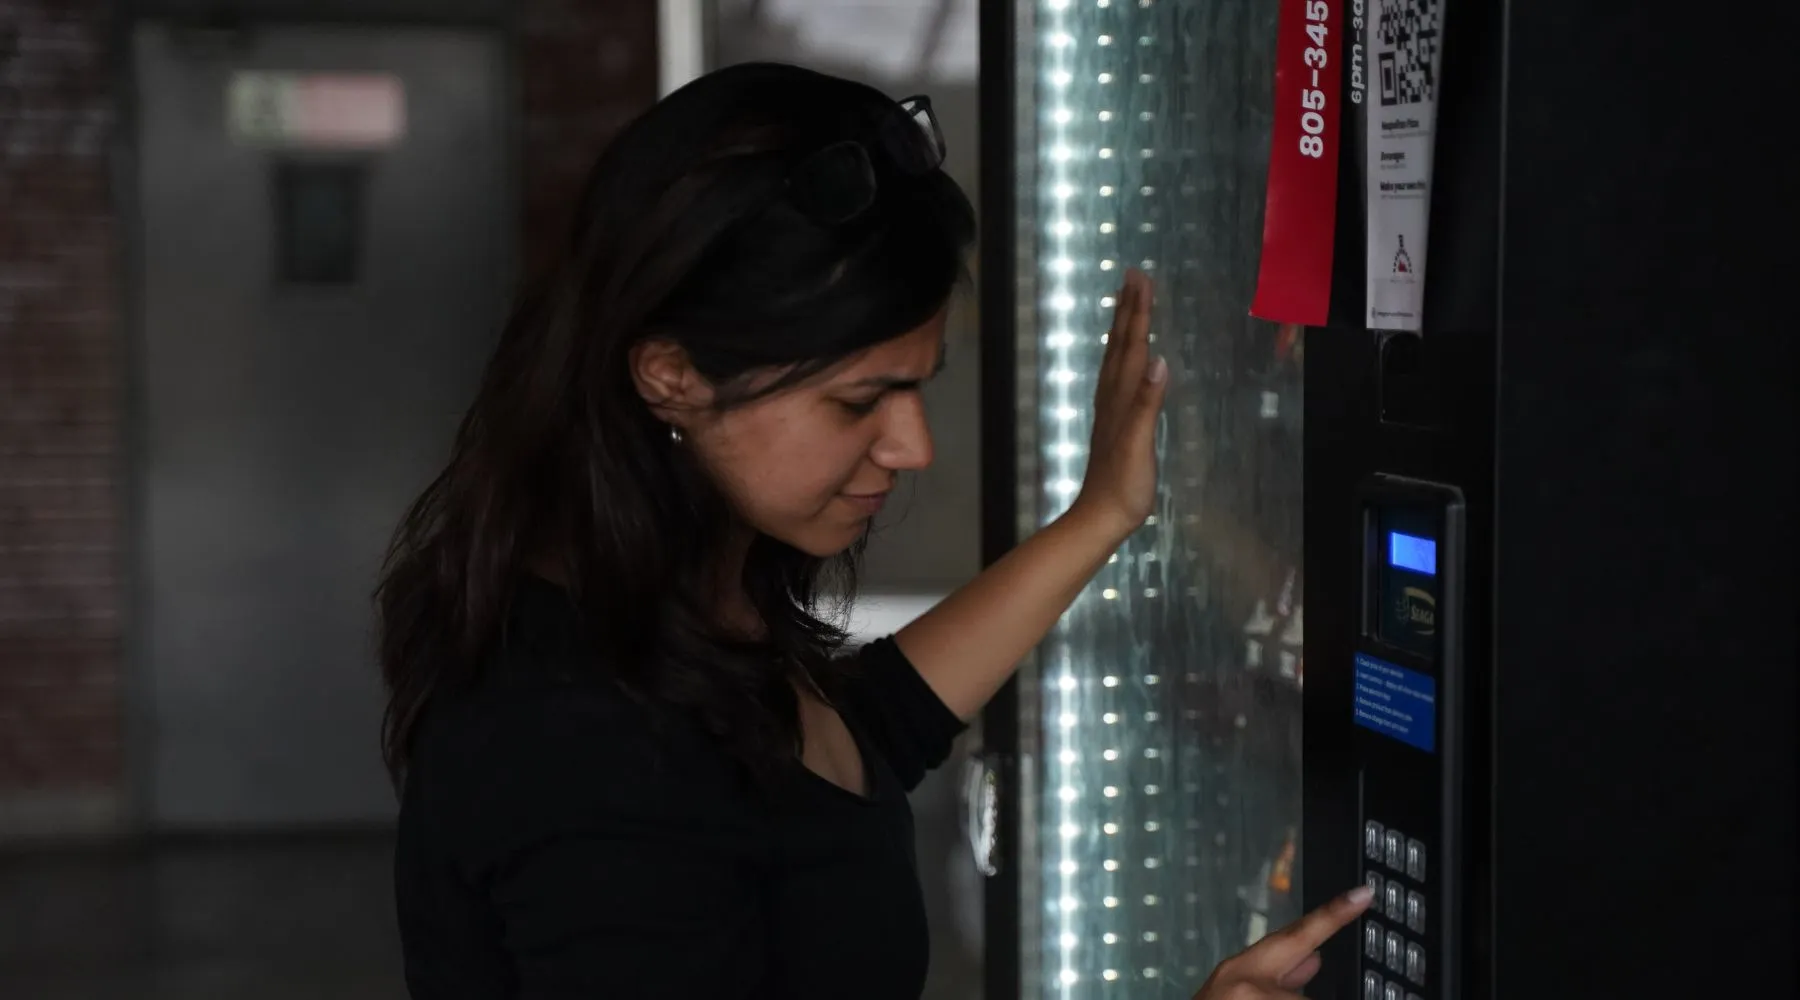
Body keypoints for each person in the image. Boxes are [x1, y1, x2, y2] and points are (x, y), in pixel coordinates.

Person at [376, 62, 1371, 1000]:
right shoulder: (583, 756)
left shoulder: (676, 613)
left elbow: (851, 744)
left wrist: (1103, 514)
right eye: (861, 400)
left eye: (918, 384)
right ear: (670, 373)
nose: (913, 445)